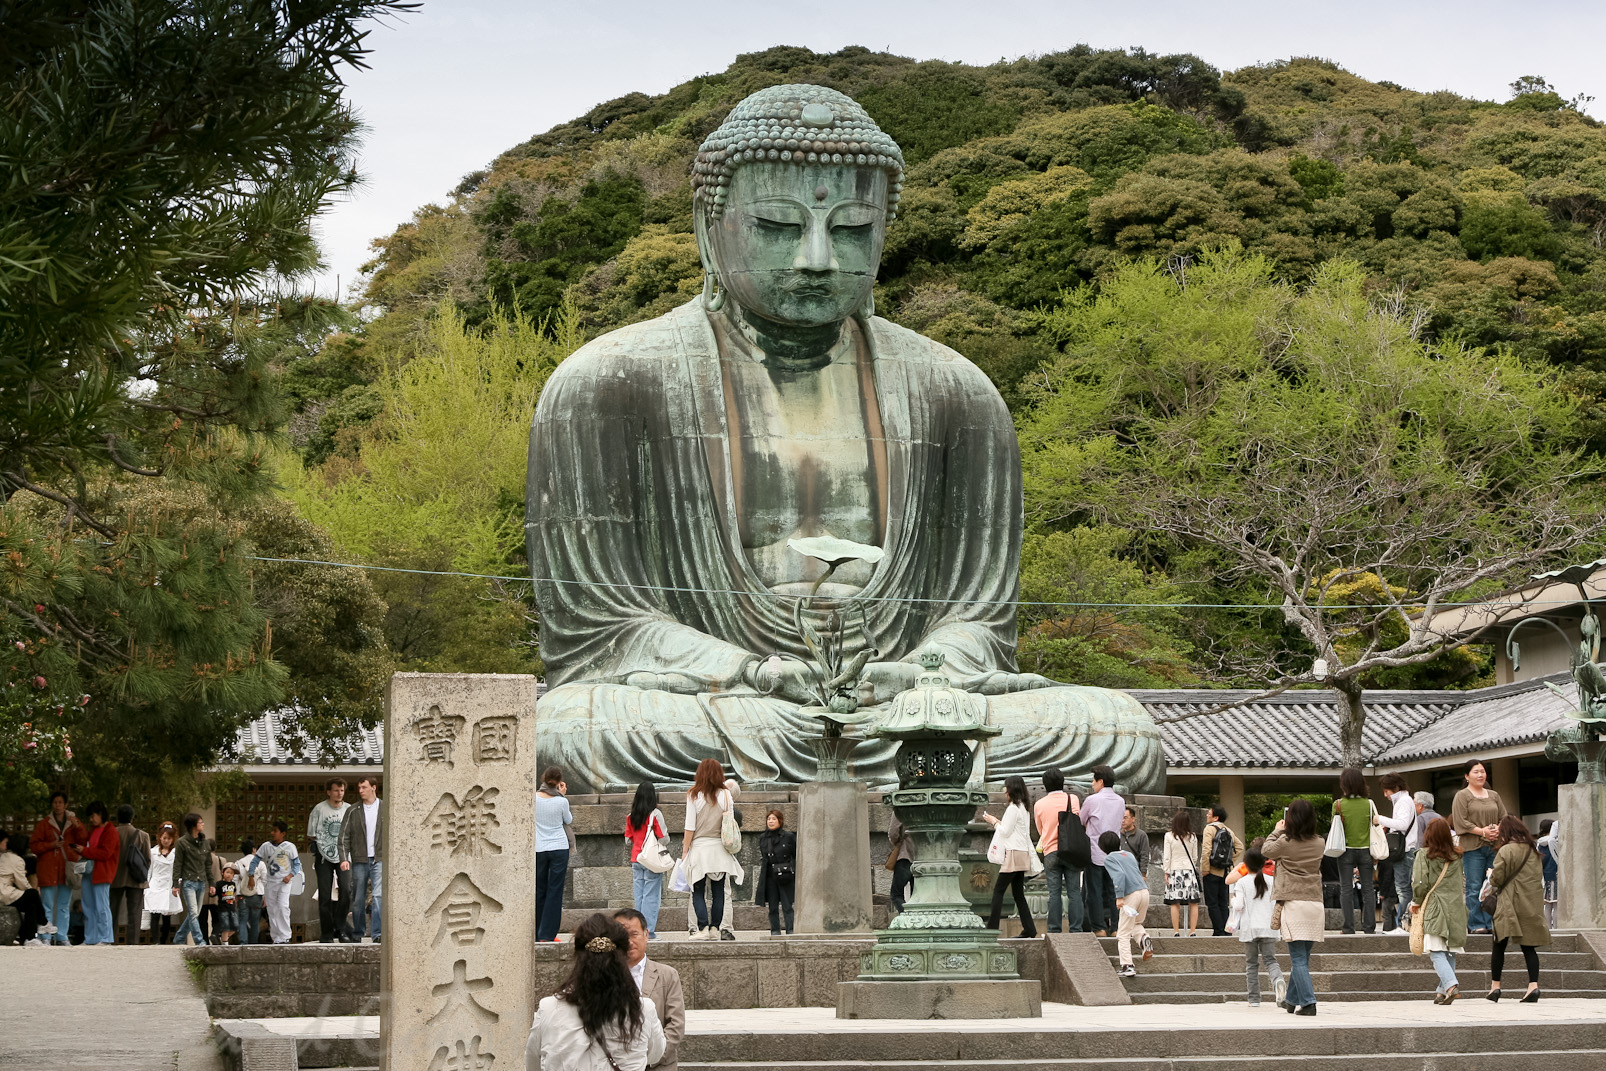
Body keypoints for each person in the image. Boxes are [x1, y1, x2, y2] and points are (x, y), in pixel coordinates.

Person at [525, 83, 1168, 798]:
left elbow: (976, 623)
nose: (818, 257)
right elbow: (604, 633)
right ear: (712, 228)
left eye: (853, 229)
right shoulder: (607, 384)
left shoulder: (957, 393)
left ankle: (884, 754)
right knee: (568, 726)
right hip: (723, 704)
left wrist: (923, 671)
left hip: (907, 705)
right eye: (777, 224)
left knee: (1119, 728)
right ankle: (895, 767)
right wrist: (751, 670)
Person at [525, 912, 666, 1071]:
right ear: (623, 955)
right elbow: (655, 1054)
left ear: (577, 955)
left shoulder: (549, 1008)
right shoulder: (643, 1009)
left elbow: (532, 1061)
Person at [1263, 798, 1325, 1016]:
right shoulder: (1320, 842)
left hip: (1293, 903)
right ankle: (1291, 1000)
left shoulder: (1286, 842)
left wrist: (1276, 830)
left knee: (1298, 958)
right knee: (1303, 958)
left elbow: (1266, 850)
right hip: (1315, 904)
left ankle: (1308, 1002)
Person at [612, 909, 685, 1071]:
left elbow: (676, 1024)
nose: (629, 942)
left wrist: (650, 1056)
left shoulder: (667, 975)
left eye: (634, 934)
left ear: (646, 934)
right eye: (622, 936)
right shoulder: (604, 975)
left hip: (658, 1064)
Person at [1487, 814, 1548, 1002]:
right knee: (1528, 946)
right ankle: (1533, 986)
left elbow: (1498, 879)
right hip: (1530, 902)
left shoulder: (1505, 851)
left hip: (1509, 903)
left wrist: (1491, 875)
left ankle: (1495, 987)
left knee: (1499, 944)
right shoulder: (1533, 851)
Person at [681, 759, 742, 941]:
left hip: (700, 848)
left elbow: (689, 826)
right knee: (719, 891)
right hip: (720, 848)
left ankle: (702, 928)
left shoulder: (693, 795)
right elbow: (729, 822)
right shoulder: (725, 794)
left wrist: (685, 850)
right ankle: (715, 927)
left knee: (698, 890)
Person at [1409, 817, 1466, 1004]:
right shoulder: (1457, 856)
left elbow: (1420, 883)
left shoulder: (1423, 855)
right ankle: (1442, 991)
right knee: (1449, 950)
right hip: (1456, 907)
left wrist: (1416, 902)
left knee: (1435, 950)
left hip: (1435, 905)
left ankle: (1450, 985)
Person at [1451, 759, 1506, 935]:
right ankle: (1476, 924)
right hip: (1473, 848)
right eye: (1476, 772)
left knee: (1493, 884)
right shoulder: (1462, 795)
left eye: (1482, 771)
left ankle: (1491, 921)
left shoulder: (1494, 795)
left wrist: (1498, 828)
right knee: (1474, 886)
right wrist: (1482, 832)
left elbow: (1504, 817)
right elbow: (1460, 822)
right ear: (1467, 776)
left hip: (1494, 846)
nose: (1480, 775)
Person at [982, 775, 1040, 938]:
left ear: (1011, 790)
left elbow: (1005, 831)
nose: (1005, 791)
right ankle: (1030, 929)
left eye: (1006, 788)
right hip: (1022, 853)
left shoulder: (1013, 808)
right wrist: (999, 823)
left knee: (999, 890)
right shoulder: (1023, 807)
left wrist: (993, 821)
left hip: (1013, 853)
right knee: (1017, 894)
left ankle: (992, 927)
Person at [29, 791, 87, 945]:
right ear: (52, 804)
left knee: (63, 905)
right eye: (55, 802)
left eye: (61, 802)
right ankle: (46, 937)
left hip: (66, 868)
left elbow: (83, 840)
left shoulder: (73, 822)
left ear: (66, 805)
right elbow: (34, 845)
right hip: (48, 868)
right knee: (46, 905)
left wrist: (78, 827)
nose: (58, 805)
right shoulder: (44, 823)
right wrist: (51, 845)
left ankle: (62, 936)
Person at [1229, 846, 1284, 1007]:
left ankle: (1254, 999)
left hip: (1250, 928)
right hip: (1268, 928)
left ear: (1246, 863)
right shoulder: (1271, 881)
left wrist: (1232, 901)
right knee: (1271, 961)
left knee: (1251, 964)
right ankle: (1278, 981)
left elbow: (1238, 906)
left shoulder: (1242, 882)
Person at [1331, 767, 1380, 935]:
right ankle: (1369, 927)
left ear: (1344, 784)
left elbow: (1335, 827)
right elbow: (1375, 825)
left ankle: (1348, 927)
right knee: (1368, 889)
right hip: (1365, 850)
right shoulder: (1369, 804)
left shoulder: (1338, 804)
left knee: (1346, 888)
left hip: (1345, 850)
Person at [1033, 768, 1082, 933]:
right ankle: (1076, 929)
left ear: (1045, 785)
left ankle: (1054, 929)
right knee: (1074, 891)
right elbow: (1078, 821)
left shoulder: (1039, 804)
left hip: (1051, 851)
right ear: (1063, 782)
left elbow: (1040, 830)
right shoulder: (1073, 799)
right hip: (1072, 850)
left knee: (1054, 892)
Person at [1079, 764, 1124, 936]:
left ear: (1101, 781)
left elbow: (1082, 820)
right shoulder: (1120, 801)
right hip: (1114, 852)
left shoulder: (1092, 800)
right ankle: (1116, 927)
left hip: (1095, 851)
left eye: (1094, 780)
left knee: (1094, 892)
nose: (1092, 784)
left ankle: (1099, 927)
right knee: (1113, 891)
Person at [339, 774, 384, 943]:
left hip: (379, 858)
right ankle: (358, 933)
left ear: (374, 787)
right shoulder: (353, 810)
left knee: (378, 896)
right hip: (359, 859)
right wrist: (344, 858)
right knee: (358, 898)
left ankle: (377, 934)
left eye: (364, 787)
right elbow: (344, 836)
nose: (361, 791)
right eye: (359, 788)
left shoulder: (385, 808)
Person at [307, 777, 352, 943]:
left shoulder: (349, 809)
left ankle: (341, 930)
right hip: (323, 855)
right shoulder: (319, 809)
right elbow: (311, 834)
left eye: (341, 790)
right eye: (335, 790)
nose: (339, 793)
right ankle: (326, 932)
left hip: (344, 856)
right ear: (328, 792)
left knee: (346, 891)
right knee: (325, 895)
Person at [1102, 831, 1150, 977]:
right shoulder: (1128, 855)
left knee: (1122, 932)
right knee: (1135, 923)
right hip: (1144, 892)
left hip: (1131, 895)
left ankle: (1127, 965)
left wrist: (1119, 897)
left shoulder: (1109, 859)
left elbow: (1119, 876)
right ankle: (1143, 939)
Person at [535, 767, 575, 943]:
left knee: (540, 890)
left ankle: (537, 932)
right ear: (559, 782)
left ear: (543, 779)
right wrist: (563, 795)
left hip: (539, 847)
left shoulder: (534, 798)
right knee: (555, 891)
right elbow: (568, 820)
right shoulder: (561, 802)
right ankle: (547, 935)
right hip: (559, 847)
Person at [624, 783, 668, 940]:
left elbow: (627, 841)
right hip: (651, 861)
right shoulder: (655, 814)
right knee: (651, 897)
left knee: (639, 896)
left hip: (636, 859)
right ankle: (648, 931)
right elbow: (664, 838)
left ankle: (637, 930)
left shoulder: (631, 816)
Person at [1378, 774, 1418, 935]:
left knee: (1403, 889)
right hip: (1407, 849)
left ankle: (1404, 924)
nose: (1385, 794)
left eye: (1386, 790)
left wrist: (1380, 819)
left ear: (1395, 788)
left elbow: (1402, 824)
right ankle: (1404, 922)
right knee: (1405, 888)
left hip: (1405, 850)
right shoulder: (1404, 801)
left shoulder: (1403, 802)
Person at [252, 821, 303, 945]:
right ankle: (276, 937)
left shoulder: (289, 847)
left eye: (275, 831)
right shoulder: (265, 846)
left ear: (283, 833)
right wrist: (250, 875)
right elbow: (255, 861)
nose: (272, 833)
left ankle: (285, 936)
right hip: (270, 882)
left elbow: (297, 865)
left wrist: (290, 876)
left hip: (284, 882)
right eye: (272, 830)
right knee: (272, 910)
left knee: (283, 907)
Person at [78, 801, 121, 945]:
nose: (91, 819)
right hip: (90, 871)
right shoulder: (93, 830)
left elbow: (105, 853)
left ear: (100, 814)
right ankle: (90, 938)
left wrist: (84, 851)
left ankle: (105, 938)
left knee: (102, 906)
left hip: (102, 873)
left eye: (92, 816)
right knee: (88, 906)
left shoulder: (111, 831)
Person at [1199, 805, 1244, 936]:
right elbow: (1239, 847)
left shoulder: (1209, 829)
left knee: (1212, 903)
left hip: (1211, 871)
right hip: (1225, 872)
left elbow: (1206, 850)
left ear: (1215, 817)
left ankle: (1218, 931)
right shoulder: (1228, 830)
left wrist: (1205, 868)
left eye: (1209, 813)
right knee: (1223, 903)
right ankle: (1227, 931)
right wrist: (1228, 861)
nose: (1207, 815)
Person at [110, 805, 151, 944]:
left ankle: (111, 940)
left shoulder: (112, 833)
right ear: (132, 818)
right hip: (136, 879)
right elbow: (147, 859)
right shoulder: (143, 835)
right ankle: (132, 943)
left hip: (115, 878)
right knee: (134, 914)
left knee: (112, 911)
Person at [171, 812, 214, 946]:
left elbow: (208, 864)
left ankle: (178, 939)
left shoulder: (205, 843)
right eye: (200, 822)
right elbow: (178, 864)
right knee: (194, 913)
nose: (203, 824)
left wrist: (211, 883)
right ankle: (199, 941)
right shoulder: (182, 842)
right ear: (194, 825)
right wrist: (175, 884)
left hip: (201, 882)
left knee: (194, 913)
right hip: (188, 882)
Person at [0, 830, 48, 944]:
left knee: (30, 904)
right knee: (32, 894)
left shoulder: (4, 856)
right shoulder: (17, 860)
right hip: (4, 894)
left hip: (5, 892)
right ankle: (43, 923)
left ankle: (29, 937)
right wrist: (31, 890)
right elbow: (22, 883)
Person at [755, 810, 796, 936]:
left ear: (780, 821)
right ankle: (775, 930)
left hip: (786, 875)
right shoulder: (763, 837)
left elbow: (794, 854)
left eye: (774, 819)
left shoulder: (788, 836)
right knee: (772, 906)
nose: (771, 821)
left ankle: (790, 929)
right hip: (770, 875)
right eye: (769, 819)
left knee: (787, 905)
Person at [1162, 809, 1201, 937]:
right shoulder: (1193, 836)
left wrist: (1166, 872)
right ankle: (1192, 931)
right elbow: (1195, 857)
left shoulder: (1169, 836)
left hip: (1175, 871)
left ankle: (1176, 931)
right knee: (1193, 902)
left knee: (1175, 902)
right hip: (1189, 872)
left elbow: (1167, 856)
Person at [144, 823, 182, 945]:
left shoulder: (176, 853)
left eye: (169, 838)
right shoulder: (152, 852)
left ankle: (163, 941)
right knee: (154, 915)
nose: (166, 841)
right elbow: (149, 870)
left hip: (169, 886)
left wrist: (177, 884)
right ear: (159, 837)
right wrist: (146, 885)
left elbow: (178, 870)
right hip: (155, 885)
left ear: (173, 839)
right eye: (164, 838)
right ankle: (155, 941)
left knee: (167, 916)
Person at [236, 837, 264, 945]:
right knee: (255, 922)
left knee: (242, 920)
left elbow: (235, 880)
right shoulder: (260, 864)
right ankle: (253, 944)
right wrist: (263, 895)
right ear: (254, 849)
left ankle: (243, 943)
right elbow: (264, 880)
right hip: (257, 895)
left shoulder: (238, 863)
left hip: (242, 896)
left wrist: (237, 895)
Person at [886, 814, 915, 914]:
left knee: (896, 895)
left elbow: (893, 833)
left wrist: (897, 843)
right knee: (916, 896)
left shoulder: (901, 806)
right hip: (921, 858)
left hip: (905, 855)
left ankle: (908, 917)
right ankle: (916, 918)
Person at [1537, 819, 1559, 929]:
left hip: (1544, 877)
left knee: (1547, 905)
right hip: (1555, 875)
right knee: (1557, 905)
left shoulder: (1539, 844)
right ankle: (1556, 928)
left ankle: (1547, 929)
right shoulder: (1555, 842)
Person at [1120, 806, 1151, 878]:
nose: (1122, 821)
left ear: (1133, 819)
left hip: (1135, 871)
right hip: (1120, 870)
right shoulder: (1118, 834)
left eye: (1125, 818)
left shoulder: (1141, 835)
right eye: (1121, 818)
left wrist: (1143, 873)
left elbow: (1144, 855)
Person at [216, 864, 239, 945]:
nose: (229, 875)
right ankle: (225, 943)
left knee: (236, 926)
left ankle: (223, 938)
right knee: (226, 927)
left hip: (232, 908)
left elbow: (234, 893)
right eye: (227, 872)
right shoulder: (219, 884)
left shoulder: (233, 884)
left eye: (231, 873)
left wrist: (236, 900)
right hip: (223, 908)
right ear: (223, 872)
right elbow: (214, 893)